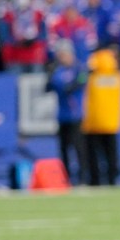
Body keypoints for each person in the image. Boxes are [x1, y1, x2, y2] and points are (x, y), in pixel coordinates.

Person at [46, 39, 88, 184]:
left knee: (79, 148)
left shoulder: (79, 68)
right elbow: (48, 87)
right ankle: (66, 178)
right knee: (64, 149)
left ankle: (83, 178)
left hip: (75, 114)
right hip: (62, 115)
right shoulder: (58, 70)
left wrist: (65, 86)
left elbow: (79, 83)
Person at [81, 47, 120, 186]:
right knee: (111, 156)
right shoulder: (118, 77)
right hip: (111, 122)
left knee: (93, 157)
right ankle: (113, 180)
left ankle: (95, 181)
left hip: (93, 123)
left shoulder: (91, 78)